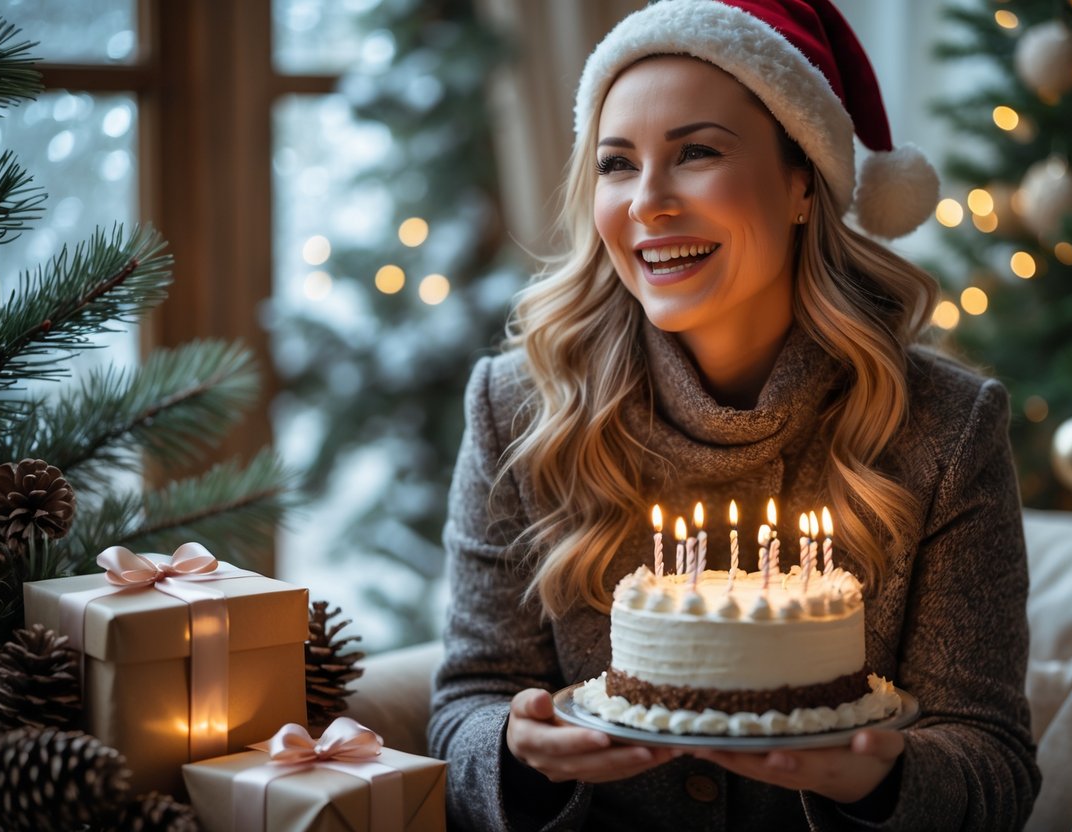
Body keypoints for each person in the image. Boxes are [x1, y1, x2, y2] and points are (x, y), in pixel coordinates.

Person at [429, 0, 1040, 829]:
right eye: (616, 164)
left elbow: (992, 762)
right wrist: (518, 753)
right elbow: (465, 705)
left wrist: (879, 780)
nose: (648, 202)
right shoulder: (519, 408)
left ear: (801, 182)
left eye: (696, 154)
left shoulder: (944, 427)